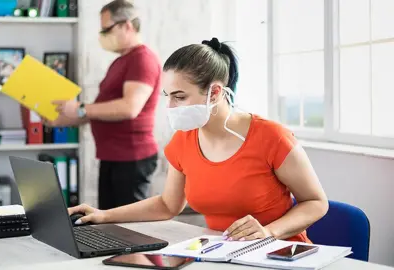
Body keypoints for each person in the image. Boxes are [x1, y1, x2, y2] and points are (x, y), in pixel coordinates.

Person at [66, 37, 329, 243]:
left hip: (279, 255)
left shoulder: (272, 137)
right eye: (167, 96)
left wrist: (269, 232)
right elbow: (167, 204)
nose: (170, 106)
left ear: (214, 92)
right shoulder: (183, 140)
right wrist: (102, 215)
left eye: (180, 97)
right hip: (224, 255)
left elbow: (316, 202)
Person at [47, 0, 161, 210]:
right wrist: (66, 118)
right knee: (108, 222)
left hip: (132, 157)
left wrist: (81, 108)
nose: (102, 35)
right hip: (112, 155)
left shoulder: (142, 60)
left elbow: (129, 108)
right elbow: (102, 109)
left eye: (106, 29)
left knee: (129, 227)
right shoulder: (120, 62)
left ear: (127, 25)